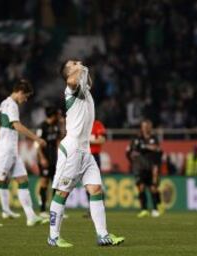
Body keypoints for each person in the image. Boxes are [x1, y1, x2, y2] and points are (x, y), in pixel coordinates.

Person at [47, 60, 125, 247]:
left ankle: (102, 235)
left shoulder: (83, 87)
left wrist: (82, 70)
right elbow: (71, 81)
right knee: (62, 192)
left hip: (85, 150)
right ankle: (53, 237)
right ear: (68, 72)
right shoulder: (70, 89)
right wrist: (78, 69)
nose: (78, 63)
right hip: (72, 149)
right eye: (73, 63)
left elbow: (88, 82)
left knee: (96, 189)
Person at [0, 79, 46, 227]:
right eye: (26, 96)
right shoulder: (12, 105)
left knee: (23, 180)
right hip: (6, 150)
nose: (26, 99)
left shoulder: (4, 103)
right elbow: (17, 126)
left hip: (10, 150)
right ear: (20, 92)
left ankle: (31, 217)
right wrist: (36, 138)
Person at [126, 119, 163, 218]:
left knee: (153, 188)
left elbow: (156, 148)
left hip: (151, 166)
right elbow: (130, 151)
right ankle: (144, 209)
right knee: (141, 188)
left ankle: (156, 208)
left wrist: (144, 147)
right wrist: (133, 160)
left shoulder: (153, 138)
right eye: (144, 126)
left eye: (147, 126)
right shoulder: (137, 139)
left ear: (150, 127)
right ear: (141, 127)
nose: (146, 128)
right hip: (140, 167)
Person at [36, 106, 61, 218]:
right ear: (53, 115)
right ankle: (42, 210)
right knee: (44, 183)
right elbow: (37, 145)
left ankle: (55, 211)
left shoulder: (56, 126)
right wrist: (42, 158)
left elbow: (60, 138)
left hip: (54, 159)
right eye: (57, 115)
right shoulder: (42, 127)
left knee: (56, 184)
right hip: (45, 159)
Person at [83, 120, 106, 218]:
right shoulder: (82, 123)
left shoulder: (97, 124)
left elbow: (102, 140)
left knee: (96, 184)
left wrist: (88, 140)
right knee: (87, 185)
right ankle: (91, 209)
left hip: (94, 156)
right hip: (83, 156)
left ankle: (99, 208)